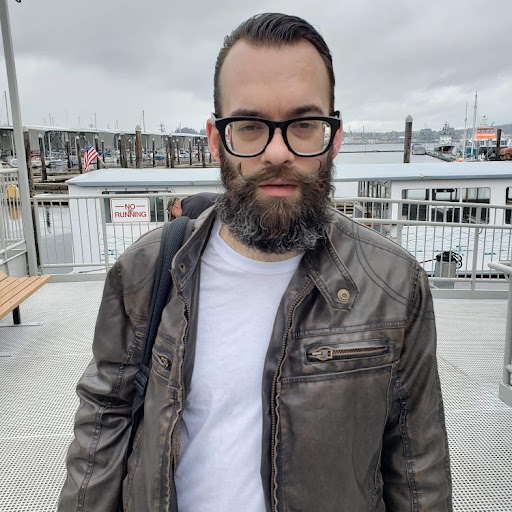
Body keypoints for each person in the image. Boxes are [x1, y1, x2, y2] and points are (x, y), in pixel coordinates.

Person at [58, 13, 452, 512]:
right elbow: (103, 421)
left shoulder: (394, 284)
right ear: (216, 138)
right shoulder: (145, 269)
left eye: (303, 125)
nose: (278, 152)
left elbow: (417, 469)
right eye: (250, 126)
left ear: (334, 136)